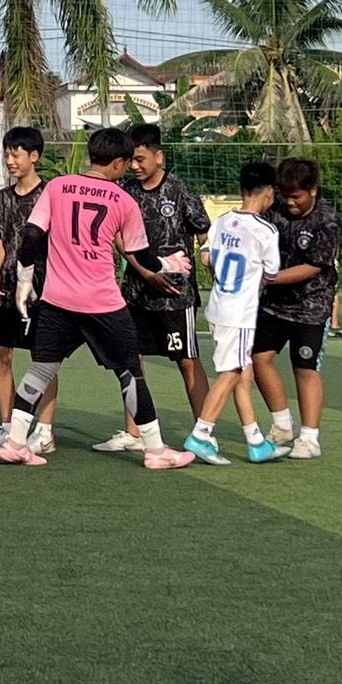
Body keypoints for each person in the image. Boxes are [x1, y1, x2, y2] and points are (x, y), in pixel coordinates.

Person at [0, 127, 193, 470]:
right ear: (118, 163)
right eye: (126, 163)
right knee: (130, 371)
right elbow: (140, 255)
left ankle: (15, 443)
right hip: (103, 302)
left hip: (57, 300)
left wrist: (24, 282)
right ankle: (156, 450)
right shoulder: (124, 200)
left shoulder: (57, 187)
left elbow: (31, 235)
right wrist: (169, 263)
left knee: (41, 369)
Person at [106, 124, 211, 454]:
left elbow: (204, 235)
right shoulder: (126, 191)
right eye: (130, 160)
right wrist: (145, 272)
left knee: (187, 361)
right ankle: (134, 433)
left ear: (158, 156)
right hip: (136, 294)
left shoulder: (181, 191)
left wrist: (209, 259)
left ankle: (204, 432)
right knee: (131, 360)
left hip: (175, 298)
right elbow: (120, 237)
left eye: (140, 159)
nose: (134, 166)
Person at [185, 162, 288, 465]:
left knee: (244, 372)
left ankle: (255, 441)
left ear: (242, 190)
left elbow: (207, 256)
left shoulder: (222, 221)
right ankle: (201, 435)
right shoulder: (266, 231)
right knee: (231, 373)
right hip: (240, 313)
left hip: (219, 306)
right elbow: (271, 272)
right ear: (269, 193)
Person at [251, 158, 340, 459]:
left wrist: (268, 278)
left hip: (311, 306)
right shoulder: (273, 211)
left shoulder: (326, 221)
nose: (289, 202)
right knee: (259, 358)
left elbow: (313, 267)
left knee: (305, 367)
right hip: (273, 304)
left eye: (296, 196)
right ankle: (282, 425)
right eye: (285, 195)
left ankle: (309, 439)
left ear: (313, 190)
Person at [0, 127, 50, 452]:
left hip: (41, 292)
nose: (10, 160)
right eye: (7, 154)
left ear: (34, 156)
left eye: (16, 154)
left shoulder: (50, 196)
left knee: (43, 360)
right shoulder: (2, 198)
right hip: (7, 291)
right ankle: (8, 428)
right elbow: (0, 241)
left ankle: (44, 431)